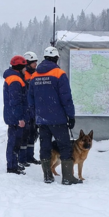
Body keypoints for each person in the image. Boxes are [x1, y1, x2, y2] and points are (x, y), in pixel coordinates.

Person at [28, 46, 81, 185]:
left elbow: (31, 99)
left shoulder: (35, 76)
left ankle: (47, 176)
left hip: (42, 120)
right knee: (65, 147)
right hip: (58, 119)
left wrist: (35, 116)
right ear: (56, 58)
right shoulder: (59, 74)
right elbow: (66, 98)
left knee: (45, 147)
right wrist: (71, 115)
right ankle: (67, 177)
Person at [3, 55, 29, 175]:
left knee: (15, 141)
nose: (26, 69)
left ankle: (14, 163)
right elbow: (15, 101)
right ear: (19, 67)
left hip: (13, 115)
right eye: (24, 66)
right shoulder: (15, 80)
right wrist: (20, 118)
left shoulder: (15, 77)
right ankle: (11, 167)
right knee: (13, 142)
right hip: (15, 117)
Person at [19, 51, 40, 166]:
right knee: (25, 134)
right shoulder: (23, 75)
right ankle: (22, 158)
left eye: (36, 62)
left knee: (33, 133)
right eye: (33, 62)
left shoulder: (36, 73)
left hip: (34, 108)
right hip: (27, 108)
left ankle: (30, 156)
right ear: (27, 63)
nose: (35, 64)